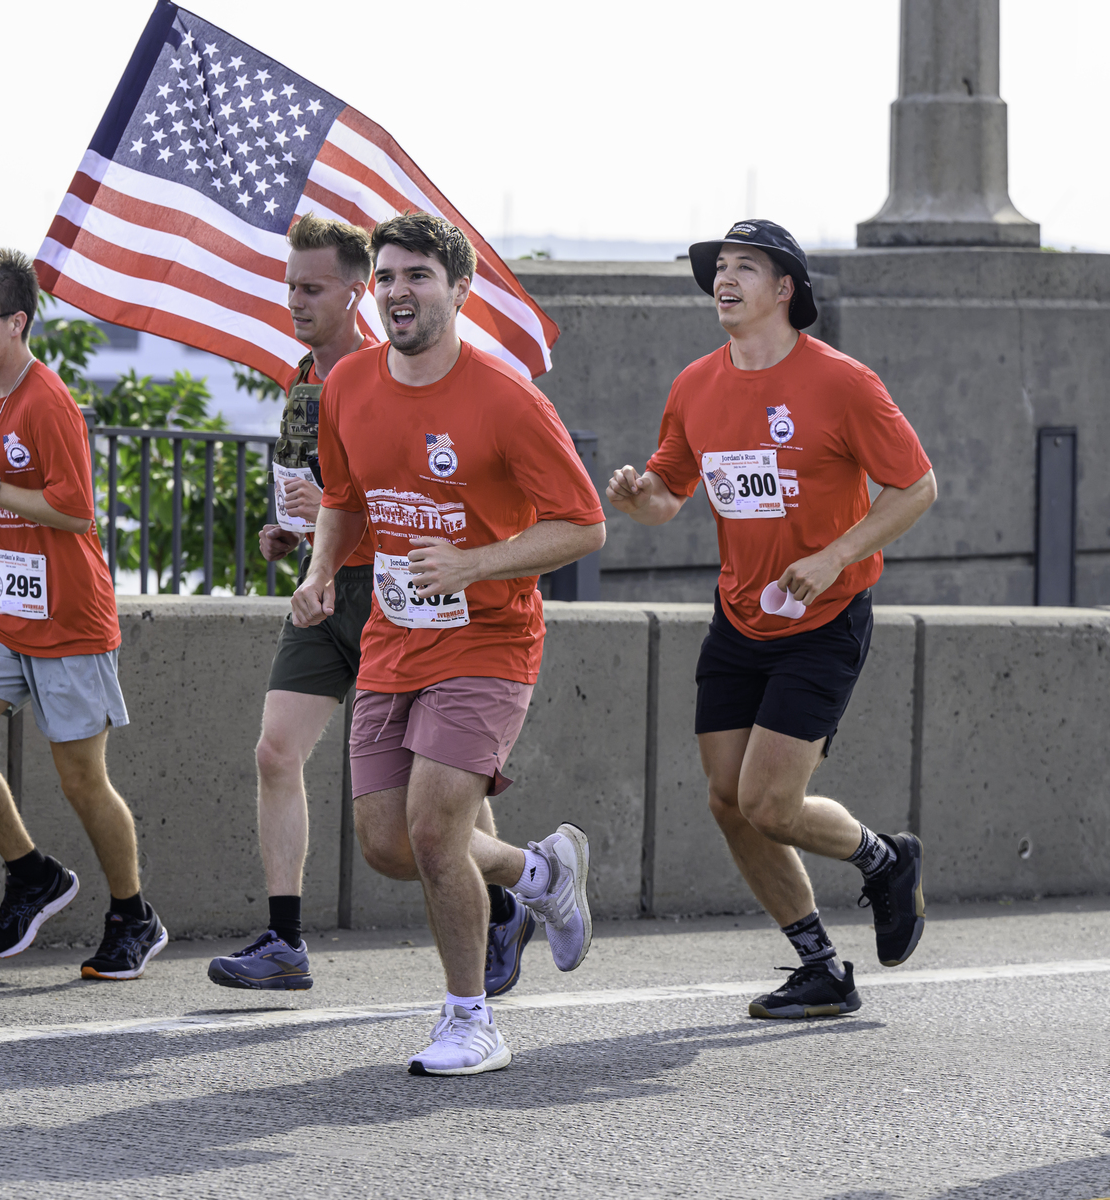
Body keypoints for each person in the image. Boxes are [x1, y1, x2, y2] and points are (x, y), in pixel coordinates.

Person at [292, 212, 607, 1075]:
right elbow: (345, 496)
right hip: (394, 635)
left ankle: (472, 1021)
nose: (399, 291)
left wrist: (473, 563)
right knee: (387, 846)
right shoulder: (350, 384)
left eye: (418, 276)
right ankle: (539, 874)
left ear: (459, 290)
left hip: (490, 638)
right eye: (387, 276)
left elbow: (583, 525)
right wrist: (322, 571)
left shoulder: (504, 398)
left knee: (434, 833)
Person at [605, 220, 936, 1019]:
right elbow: (668, 495)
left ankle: (885, 859)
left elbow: (917, 487)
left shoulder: (844, 383)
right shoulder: (694, 386)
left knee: (769, 803)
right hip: (739, 619)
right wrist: (637, 498)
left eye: (744, 267)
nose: (724, 279)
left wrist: (831, 557)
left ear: (783, 288)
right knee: (728, 798)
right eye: (718, 267)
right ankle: (820, 966)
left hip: (824, 618)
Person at [207, 215, 535, 996]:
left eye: (312, 287)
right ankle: (286, 938)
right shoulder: (313, 377)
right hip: (340, 592)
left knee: (437, 807)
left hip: (418, 594)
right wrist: (299, 542)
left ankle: (500, 917)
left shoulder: (403, 366)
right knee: (277, 753)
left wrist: (468, 560)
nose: (295, 299)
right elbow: (337, 491)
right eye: (290, 285)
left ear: (354, 292)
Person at [0, 245, 166, 981]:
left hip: (69, 618)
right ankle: (33, 874)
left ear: (17, 322)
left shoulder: (45, 399)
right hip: (0, 608)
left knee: (82, 781)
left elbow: (74, 513)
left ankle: (133, 914)